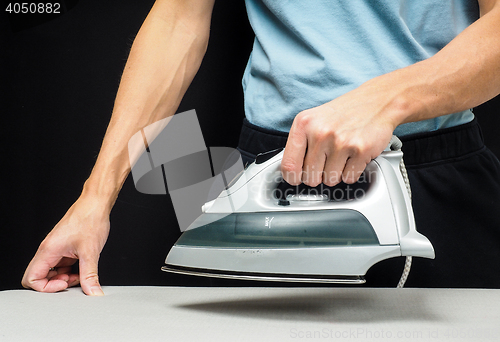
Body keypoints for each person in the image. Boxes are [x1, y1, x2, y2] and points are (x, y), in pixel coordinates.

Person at [22, 0, 500, 295]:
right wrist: (96, 198)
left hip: (432, 170)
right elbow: (177, 22)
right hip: (278, 171)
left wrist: (389, 99)